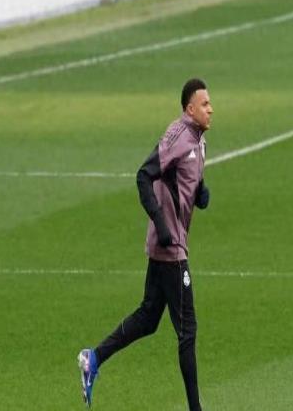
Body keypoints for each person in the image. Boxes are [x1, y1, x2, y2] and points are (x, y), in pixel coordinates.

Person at [77, 78, 213, 411]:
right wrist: (162, 224)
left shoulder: (199, 140)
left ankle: (93, 358)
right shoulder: (178, 136)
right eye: (205, 104)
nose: (211, 109)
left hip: (170, 243)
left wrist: (200, 192)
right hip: (170, 247)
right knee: (188, 331)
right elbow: (144, 176)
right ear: (189, 109)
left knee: (149, 317)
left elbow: (186, 179)